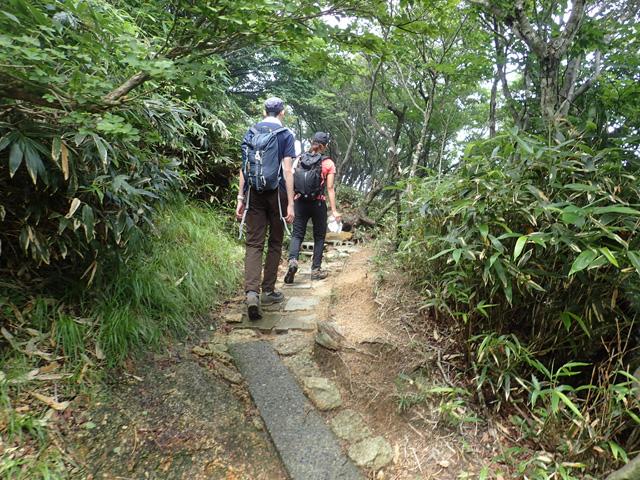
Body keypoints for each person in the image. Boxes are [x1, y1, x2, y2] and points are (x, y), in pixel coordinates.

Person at [236, 97, 295, 320]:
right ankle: (268, 290)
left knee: (253, 242)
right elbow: (287, 170)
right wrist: (291, 203)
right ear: (282, 113)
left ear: (264, 111)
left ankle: (252, 293)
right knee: (275, 241)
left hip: (253, 192)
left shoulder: (251, 131)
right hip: (277, 193)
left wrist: (240, 197)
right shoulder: (285, 135)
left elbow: (244, 167)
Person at [284, 132, 341, 283]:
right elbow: (330, 188)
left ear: (312, 142)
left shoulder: (299, 159)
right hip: (318, 203)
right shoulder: (328, 163)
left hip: (300, 202)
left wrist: (290, 203)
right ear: (325, 146)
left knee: (297, 235)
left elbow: (291, 179)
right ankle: (315, 270)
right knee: (319, 237)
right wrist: (334, 211)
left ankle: (293, 261)